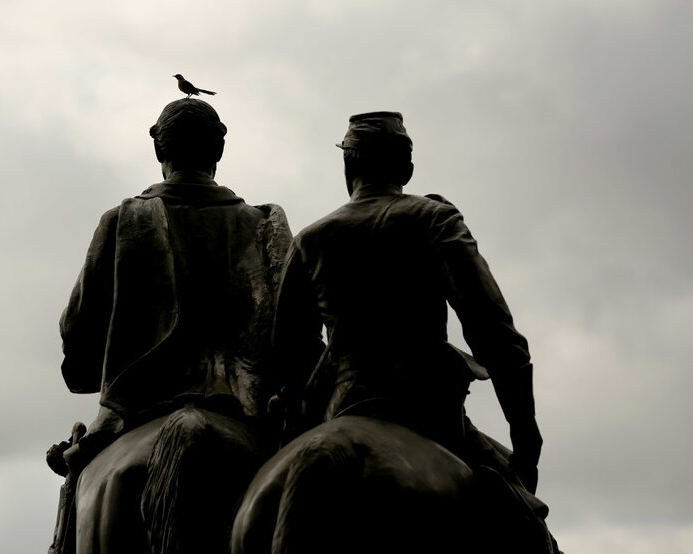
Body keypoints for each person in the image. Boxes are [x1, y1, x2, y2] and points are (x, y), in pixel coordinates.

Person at [272, 111, 558, 552]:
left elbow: (289, 355)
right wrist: (525, 429)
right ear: (406, 168)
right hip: (427, 411)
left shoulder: (310, 239)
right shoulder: (434, 220)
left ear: (349, 166)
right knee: (527, 526)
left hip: (341, 404)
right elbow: (494, 332)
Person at [53, 98, 292, 553]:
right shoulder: (263, 225)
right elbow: (292, 328)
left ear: (158, 149)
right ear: (218, 150)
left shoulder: (121, 221)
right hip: (247, 410)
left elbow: (77, 336)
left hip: (134, 410)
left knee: (76, 477)